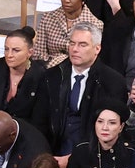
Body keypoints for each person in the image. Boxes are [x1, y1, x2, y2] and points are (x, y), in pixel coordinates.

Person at [38, 21, 125, 159]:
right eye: (72, 43)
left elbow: (111, 130)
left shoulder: (113, 82)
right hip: (52, 151)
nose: (75, 49)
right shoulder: (52, 76)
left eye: (82, 45)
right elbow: (40, 121)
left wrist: (76, 158)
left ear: (97, 49)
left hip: (91, 155)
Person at [67, 107, 135, 168]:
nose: (105, 127)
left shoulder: (130, 154)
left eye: (112, 123)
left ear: (121, 126)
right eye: (100, 121)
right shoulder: (81, 150)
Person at [30, 0, 99, 69]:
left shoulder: (95, 25)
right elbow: (38, 54)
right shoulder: (48, 18)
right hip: (48, 69)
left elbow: (91, 59)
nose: (66, 0)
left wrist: (62, 61)